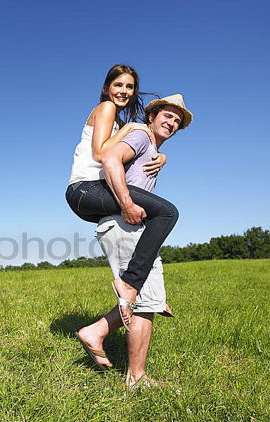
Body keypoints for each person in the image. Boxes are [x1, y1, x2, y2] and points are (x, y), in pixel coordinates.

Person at [74, 94, 193, 389]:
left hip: (127, 224)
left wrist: (160, 156)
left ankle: (96, 332)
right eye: (168, 116)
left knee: (145, 300)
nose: (173, 123)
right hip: (123, 223)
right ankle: (136, 379)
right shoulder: (140, 135)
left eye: (178, 121)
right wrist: (127, 204)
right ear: (151, 117)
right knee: (141, 298)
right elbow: (111, 157)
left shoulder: (149, 147)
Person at [66, 66, 187, 330]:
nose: (123, 91)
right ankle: (131, 283)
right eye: (118, 85)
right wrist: (131, 127)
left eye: (129, 87)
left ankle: (144, 290)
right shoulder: (107, 108)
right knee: (167, 212)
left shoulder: (119, 120)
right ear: (107, 87)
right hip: (86, 188)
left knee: (150, 219)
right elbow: (101, 154)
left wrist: (162, 156)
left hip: (91, 193)